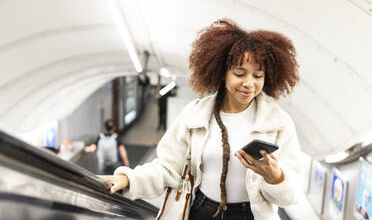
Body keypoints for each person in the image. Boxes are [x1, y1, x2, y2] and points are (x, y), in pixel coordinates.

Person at [99, 19, 304, 220]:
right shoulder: (195, 114)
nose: (249, 84)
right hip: (201, 210)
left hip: (251, 214)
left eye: (258, 76)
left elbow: (292, 195)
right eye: (240, 73)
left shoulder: (278, 123)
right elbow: (168, 167)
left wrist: (276, 177)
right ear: (222, 73)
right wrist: (127, 179)